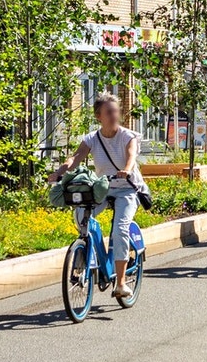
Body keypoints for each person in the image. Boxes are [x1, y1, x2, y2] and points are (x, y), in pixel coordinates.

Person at [54, 93, 144, 299]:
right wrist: (59, 173)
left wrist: (127, 169)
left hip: (128, 188)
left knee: (120, 228)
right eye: (109, 112)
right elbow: (75, 158)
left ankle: (120, 283)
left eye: (116, 111)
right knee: (81, 216)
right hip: (103, 188)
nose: (114, 116)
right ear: (98, 117)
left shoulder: (128, 136)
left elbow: (131, 155)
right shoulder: (92, 139)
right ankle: (87, 255)